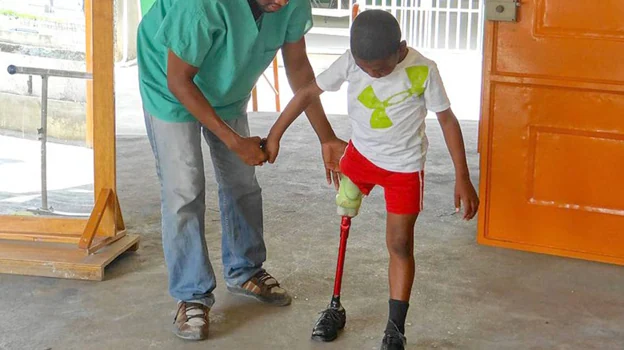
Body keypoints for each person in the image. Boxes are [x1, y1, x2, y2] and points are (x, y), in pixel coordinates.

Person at [264, 10, 480, 350]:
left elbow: (448, 121)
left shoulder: (423, 70)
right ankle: (334, 305)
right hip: (360, 158)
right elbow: (308, 92)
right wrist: (275, 134)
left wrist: (462, 177)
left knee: (399, 244)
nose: (373, 75)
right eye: (366, 69)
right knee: (344, 216)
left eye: (380, 69)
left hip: (404, 168)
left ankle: (395, 328)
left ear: (401, 49)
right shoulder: (351, 62)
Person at [136, 0, 345, 341]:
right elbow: (179, 79)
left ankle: (245, 269)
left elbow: (299, 68)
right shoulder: (204, 5)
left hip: (226, 87)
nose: (283, 1)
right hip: (170, 86)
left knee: (241, 182)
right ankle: (191, 294)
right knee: (184, 189)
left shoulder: (290, 5)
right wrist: (233, 140)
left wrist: (327, 137)